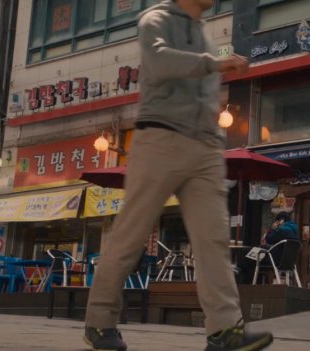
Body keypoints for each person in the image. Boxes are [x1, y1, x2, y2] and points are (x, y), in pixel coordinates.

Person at [82, 1, 273, 351]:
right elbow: (160, 61)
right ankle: (99, 322)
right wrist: (214, 64)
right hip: (160, 139)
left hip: (206, 147)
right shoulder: (155, 19)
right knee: (130, 237)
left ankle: (224, 330)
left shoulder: (203, 34)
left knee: (213, 240)